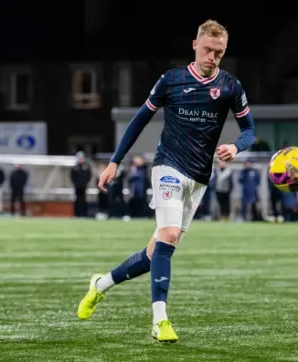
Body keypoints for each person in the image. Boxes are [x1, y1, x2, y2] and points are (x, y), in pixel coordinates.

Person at [76, 20, 256, 343]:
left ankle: (99, 285)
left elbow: (250, 130)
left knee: (155, 253)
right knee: (169, 236)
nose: (212, 57)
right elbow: (138, 121)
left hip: (200, 178)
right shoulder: (171, 81)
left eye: (219, 52)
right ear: (194, 45)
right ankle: (160, 320)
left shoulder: (230, 87)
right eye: (207, 50)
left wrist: (236, 146)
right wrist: (114, 162)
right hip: (167, 167)